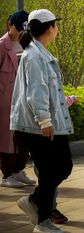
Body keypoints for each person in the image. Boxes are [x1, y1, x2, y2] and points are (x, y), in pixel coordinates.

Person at [10, 9, 76, 233]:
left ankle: (33, 200)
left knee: (63, 167)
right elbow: (36, 93)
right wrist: (44, 120)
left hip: (51, 124)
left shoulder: (40, 53)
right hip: (39, 125)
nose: (57, 29)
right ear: (50, 28)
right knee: (49, 172)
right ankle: (43, 221)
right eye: (56, 26)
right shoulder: (34, 56)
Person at [1, 10, 36, 189]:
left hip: (25, 99)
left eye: (25, 28)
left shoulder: (30, 45)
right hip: (7, 101)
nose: (22, 32)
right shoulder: (2, 46)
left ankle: (17, 170)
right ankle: (7, 174)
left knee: (25, 137)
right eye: (19, 28)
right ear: (10, 25)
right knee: (8, 139)